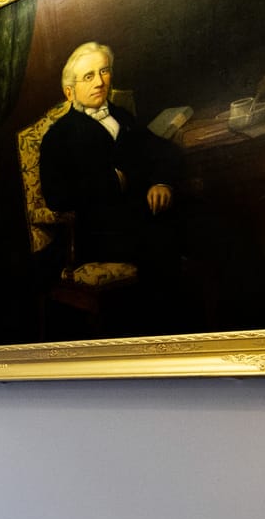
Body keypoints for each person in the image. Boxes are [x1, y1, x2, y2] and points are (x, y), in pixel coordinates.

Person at [38, 41, 184, 329]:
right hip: (98, 234)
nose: (100, 81)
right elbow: (56, 195)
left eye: (103, 71)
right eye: (88, 76)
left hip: (145, 215)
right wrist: (111, 181)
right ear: (70, 92)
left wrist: (162, 181)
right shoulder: (58, 136)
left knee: (201, 226)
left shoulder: (122, 117)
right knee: (162, 246)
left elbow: (163, 150)